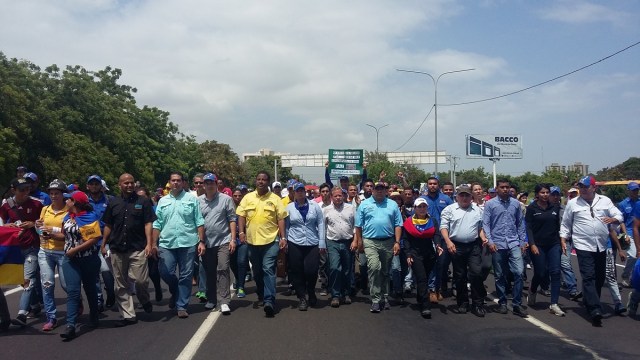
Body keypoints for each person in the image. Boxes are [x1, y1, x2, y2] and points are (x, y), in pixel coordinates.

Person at [560, 175, 623, 326]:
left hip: (601, 245)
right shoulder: (573, 203)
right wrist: (563, 239)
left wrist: (613, 220)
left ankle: (590, 301)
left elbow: (619, 215)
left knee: (599, 277)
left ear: (594, 188)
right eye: (580, 186)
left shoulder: (605, 200)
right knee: (588, 276)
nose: (582, 189)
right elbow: (566, 223)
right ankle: (595, 309)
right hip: (582, 245)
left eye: (585, 186)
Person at [101, 173, 156, 327]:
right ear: (120, 185)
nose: (129, 185)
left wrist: (149, 243)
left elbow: (148, 224)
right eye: (126, 183)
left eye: (131, 183)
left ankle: (144, 299)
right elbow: (108, 225)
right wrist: (103, 243)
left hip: (138, 247)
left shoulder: (143, 202)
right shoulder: (113, 202)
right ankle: (128, 315)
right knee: (121, 284)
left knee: (140, 280)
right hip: (117, 248)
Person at [153, 171, 206, 319]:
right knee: (165, 272)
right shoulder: (162, 201)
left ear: (183, 182)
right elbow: (157, 223)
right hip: (166, 243)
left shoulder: (191, 199)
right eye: (173, 180)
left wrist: (201, 241)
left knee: (186, 275)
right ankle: (176, 290)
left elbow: (199, 221)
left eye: (178, 180)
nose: (175, 183)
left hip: (188, 242)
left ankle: (182, 305)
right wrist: (153, 243)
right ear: (169, 182)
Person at [236, 171, 288, 317]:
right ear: (255, 181)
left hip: (270, 241)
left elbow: (281, 218)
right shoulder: (247, 197)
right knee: (257, 272)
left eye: (264, 180)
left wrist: (283, 237)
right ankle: (261, 291)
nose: (261, 182)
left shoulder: (275, 199)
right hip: (252, 242)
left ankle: (269, 300)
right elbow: (241, 215)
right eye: (258, 179)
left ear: (268, 182)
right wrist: (241, 233)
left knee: (268, 269)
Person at [59, 191, 102, 340]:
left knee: (90, 288)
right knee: (73, 291)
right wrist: (49, 233)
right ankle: (70, 325)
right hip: (70, 260)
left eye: (68, 199)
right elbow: (65, 235)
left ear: (75, 202)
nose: (65, 202)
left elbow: (94, 238)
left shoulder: (89, 217)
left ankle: (94, 316)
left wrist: (75, 250)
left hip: (88, 259)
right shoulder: (68, 217)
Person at [440, 185, 488, 317]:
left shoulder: (477, 210)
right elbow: (443, 227)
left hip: (473, 245)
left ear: (471, 197)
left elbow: (480, 228)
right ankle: (463, 302)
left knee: (477, 273)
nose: (465, 198)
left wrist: (483, 237)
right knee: (460, 275)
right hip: (456, 245)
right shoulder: (449, 209)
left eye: (467, 195)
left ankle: (478, 303)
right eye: (462, 195)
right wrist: (448, 242)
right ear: (457, 197)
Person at [1, 178, 43, 327]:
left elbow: (45, 224)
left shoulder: (37, 203)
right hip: (14, 249)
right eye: (22, 190)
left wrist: (33, 224)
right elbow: (1, 225)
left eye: (28, 189)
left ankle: (22, 314)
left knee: (28, 279)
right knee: (20, 279)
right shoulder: (6, 205)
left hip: (31, 246)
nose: (26, 192)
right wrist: (8, 226)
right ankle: (36, 304)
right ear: (14, 190)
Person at [483, 179, 528, 317]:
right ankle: (502, 303)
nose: (505, 189)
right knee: (499, 275)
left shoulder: (515, 204)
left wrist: (522, 241)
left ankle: (517, 304)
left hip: (514, 243)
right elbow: (486, 224)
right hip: (497, 243)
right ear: (497, 189)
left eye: (507, 187)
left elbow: (520, 224)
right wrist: (490, 241)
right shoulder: (490, 204)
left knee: (519, 272)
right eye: (502, 187)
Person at [355, 181, 402, 313]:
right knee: (374, 267)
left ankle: (385, 296)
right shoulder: (364, 204)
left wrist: (397, 242)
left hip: (388, 241)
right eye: (377, 189)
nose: (380, 191)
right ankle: (375, 299)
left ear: (386, 191)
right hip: (370, 241)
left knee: (386, 271)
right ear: (373, 190)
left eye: (382, 189)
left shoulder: (392, 205)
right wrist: (359, 241)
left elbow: (398, 224)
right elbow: (358, 225)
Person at [198, 173, 236, 314]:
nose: (209, 185)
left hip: (223, 240)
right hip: (206, 242)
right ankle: (212, 299)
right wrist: (200, 241)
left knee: (223, 268)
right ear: (203, 185)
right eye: (207, 183)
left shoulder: (226, 199)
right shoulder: (198, 201)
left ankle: (224, 300)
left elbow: (232, 219)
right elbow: (197, 222)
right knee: (209, 272)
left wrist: (233, 239)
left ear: (216, 184)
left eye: (212, 182)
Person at [525, 184, 565, 316]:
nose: (546, 195)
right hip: (538, 245)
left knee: (555, 272)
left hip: (554, 244)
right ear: (537, 194)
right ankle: (532, 289)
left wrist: (562, 241)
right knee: (541, 273)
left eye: (547, 192)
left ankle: (554, 304)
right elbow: (528, 228)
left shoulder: (555, 207)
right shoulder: (531, 208)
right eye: (542, 192)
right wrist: (532, 244)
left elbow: (559, 225)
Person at [285, 182, 325, 311]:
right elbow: (286, 226)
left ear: (305, 192)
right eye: (298, 191)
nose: (300, 193)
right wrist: (284, 240)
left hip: (312, 242)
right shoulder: (289, 207)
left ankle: (311, 291)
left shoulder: (315, 206)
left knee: (311, 270)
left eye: (302, 190)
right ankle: (302, 297)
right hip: (294, 242)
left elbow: (321, 223)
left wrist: (322, 241)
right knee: (297, 271)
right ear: (294, 193)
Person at [37, 179, 70, 331]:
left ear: (63, 195)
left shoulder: (69, 211)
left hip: (63, 251)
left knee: (66, 284)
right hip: (45, 251)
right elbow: (41, 228)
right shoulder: (45, 210)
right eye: (51, 193)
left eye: (57, 193)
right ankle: (51, 317)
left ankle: (77, 302)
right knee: (47, 284)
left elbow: (69, 234)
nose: (54, 196)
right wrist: (39, 227)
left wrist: (53, 232)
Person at [403, 197, 441, 318]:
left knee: (426, 276)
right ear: (415, 208)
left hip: (429, 254)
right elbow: (406, 240)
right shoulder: (409, 222)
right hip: (415, 253)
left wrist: (438, 244)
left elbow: (436, 235)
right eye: (419, 207)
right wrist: (408, 254)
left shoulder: (432, 221)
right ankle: (425, 306)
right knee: (422, 278)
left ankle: (421, 296)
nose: (422, 209)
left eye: (424, 206)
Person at [420, 176, 453, 303]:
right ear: (427, 185)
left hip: (443, 236)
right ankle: (431, 289)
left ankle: (438, 287)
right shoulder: (421, 199)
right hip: (426, 236)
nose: (432, 186)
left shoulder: (446, 199)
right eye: (430, 183)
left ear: (438, 185)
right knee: (430, 264)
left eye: (435, 184)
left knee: (442, 264)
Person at [86, 175, 115, 311]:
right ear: (87, 186)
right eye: (91, 184)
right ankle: (98, 299)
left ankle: (110, 291)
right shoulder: (84, 202)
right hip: (89, 242)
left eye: (96, 184)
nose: (94, 186)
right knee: (93, 273)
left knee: (106, 270)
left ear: (101, 186)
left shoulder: (110, 200)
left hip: (106, 241)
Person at [323, 187, 357, 307]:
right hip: (332, 242)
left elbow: (355, 226)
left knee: (347, 269)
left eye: (340, 195)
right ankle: (335, 295)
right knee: (334, 268)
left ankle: (346, 293)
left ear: (343, 196)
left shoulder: (351, 208)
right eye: (335, 196)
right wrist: (322, 244)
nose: (338, 198)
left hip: (348, 242)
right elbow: (323, 227)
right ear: (331, 197)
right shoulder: (326, 210)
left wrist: (355, 240)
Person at [549, 186, 582, 301]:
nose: (555, 197)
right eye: (553, 194)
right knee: (548, 267)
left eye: (557, 194)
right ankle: (546, 285)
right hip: (548, 242)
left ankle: (572, 289)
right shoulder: (544, 209)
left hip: (563, 241)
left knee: (565, 264)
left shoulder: (565, 209)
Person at [618, 182, 639, 287]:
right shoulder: (623, 204)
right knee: (633, 255)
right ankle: (626, 275)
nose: (635, 192)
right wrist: (625, 234)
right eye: (633, 190)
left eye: (637, 190)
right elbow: (621, 221)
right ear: (629, 190)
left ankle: (635, 277)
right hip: (630, 232)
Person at [230, 188, 249, 297]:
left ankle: (241, 286)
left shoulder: (246, 208)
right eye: (235, 195)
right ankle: (238, 278)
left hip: (244, 239)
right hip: (231, 239)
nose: (237, 198)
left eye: (239, 195)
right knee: (232, 263)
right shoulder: (229, 207)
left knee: (241, 261)